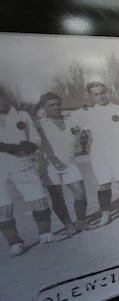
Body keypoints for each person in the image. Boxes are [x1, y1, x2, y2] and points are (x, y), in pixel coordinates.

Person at [72, 82, 119, 226]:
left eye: (102, 93)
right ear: (91, 96)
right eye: (96, 94)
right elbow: (73, 125)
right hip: (99, 152)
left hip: (118, 149)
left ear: (106, 92)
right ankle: (105, 213)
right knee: (103, 184)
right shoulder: (86, 113)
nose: (100, 96)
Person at [0, 88, 57, 256]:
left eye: (2, 96)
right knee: (3, 207)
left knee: (38, 199)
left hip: (23, 164)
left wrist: (31, 145)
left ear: (6, 96)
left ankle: (45, 234)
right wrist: (8, 147)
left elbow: (36, 138)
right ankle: (14, 243)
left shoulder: (22, 115)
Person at [36, 92, 88, 234]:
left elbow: (82, 134)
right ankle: (68, 225)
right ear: (44, 107)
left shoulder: (70, 120)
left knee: (80, 193)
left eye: (58, 104)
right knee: (57, 197)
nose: (56, 107)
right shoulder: (39, 124)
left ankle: (82, 221)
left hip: (70, 163)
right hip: (50, 166)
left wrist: (81, 140)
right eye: (51, 105)